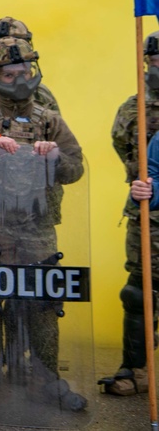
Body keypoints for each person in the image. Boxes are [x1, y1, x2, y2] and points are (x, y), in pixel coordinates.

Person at [0, 36, 86, 410]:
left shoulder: (50, 120)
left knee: (44, 305)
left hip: (37, 229)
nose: (19, 80)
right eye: (10, 74)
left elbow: (76, 169)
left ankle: (45, 378)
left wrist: (56, 157)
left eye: (25, 71)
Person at [101, 31, 159, 395]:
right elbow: (125, 148)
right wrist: (142, 184)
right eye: (154, 63)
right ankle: (135, 369)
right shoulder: (134, 109)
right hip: (147, 216)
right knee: (139, 291)